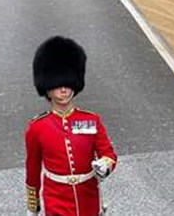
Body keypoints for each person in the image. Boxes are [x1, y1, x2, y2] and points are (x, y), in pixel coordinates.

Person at [25, 36, 117, 216]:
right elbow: (33, 171)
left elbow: (108, 153)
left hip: (88, 199)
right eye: (58, 85)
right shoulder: (37, 127)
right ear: (47, 88)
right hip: (56, 201)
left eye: (67, 84)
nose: (64, 90)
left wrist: (105, 165)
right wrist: (32, 207)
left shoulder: (89, 120)